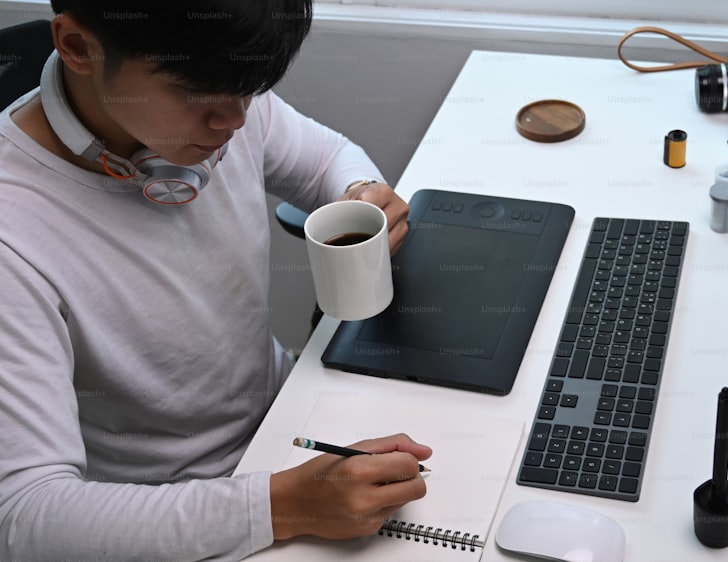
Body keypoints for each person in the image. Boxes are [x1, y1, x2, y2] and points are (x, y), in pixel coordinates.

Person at [0, 1, 432, 559]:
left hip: (288, 421)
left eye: (249, 88)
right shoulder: (14, 236)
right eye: (195, 92)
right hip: (164, 517)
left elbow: (329, 160)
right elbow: (24, 520)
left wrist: (361, 193)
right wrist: (279, 505)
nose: (235, 121)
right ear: (79, 48)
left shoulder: (221, 94)